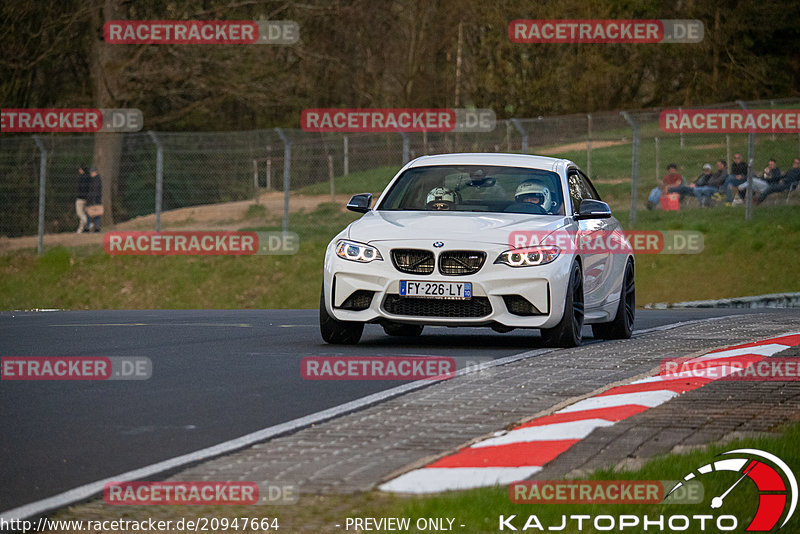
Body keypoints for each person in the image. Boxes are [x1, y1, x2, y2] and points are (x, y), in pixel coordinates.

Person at [87, 166, 103, 231]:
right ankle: (96, 227)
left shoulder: (96, 180)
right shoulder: (96, 179)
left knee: (94, 214)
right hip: (95, 199)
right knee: (96, 214)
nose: (90, 174)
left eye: (91, 172)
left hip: (95, 200)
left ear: (94, 172)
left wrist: (92, 200)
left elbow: (95, 191)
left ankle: (95, 227)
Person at [75, 165, 90, 233]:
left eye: (80, 169)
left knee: (79, 213)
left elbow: (80, 188)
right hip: (87, 198)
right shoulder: (89, 177)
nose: (79, 171)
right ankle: (80, 230)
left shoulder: (81, 177)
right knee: (83, 213)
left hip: (80, 198)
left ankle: (89, 224)